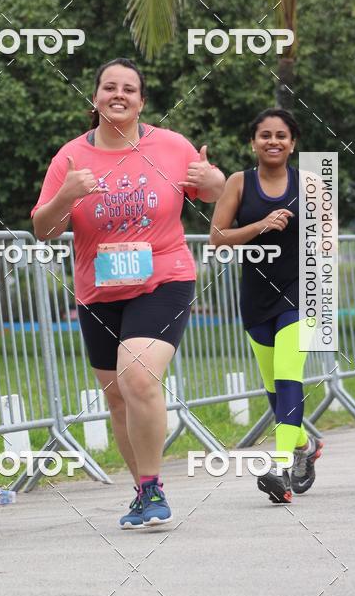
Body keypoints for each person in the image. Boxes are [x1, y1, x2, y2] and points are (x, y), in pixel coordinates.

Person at [31, 58, 225, 528]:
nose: (119, 95)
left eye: (129, 89)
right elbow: (44, 229)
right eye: (109, 87)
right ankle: (142, 491)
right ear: (94, 97)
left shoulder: (172, 146)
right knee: (118, 398)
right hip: (98, 291)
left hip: (164, 278)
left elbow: (213, 189)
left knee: (138, 377)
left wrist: (214, 181)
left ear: (142, 100)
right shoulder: (70, 158)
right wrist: (66, 196)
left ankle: (155, 484)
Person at [209, 108, 323, 504]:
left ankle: (280, 467)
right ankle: (304, 446)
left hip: (302, 292)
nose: (273, 142)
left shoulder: (310, 183)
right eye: (265, 136)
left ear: (293, 143)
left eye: (281, 136)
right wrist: (260, 226)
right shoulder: (239, 183)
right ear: (253, 142)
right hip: (256, 295)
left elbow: (328, 240)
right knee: (274, 387)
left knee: (290, 373)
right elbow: (218, 238)